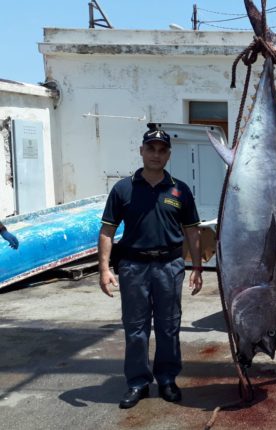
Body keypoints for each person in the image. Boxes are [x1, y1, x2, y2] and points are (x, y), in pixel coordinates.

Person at [98, 127, 203, 409]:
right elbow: (107, 230)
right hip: (133, 267)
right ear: (141, 151)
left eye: (162, 150)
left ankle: (167, 379)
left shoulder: (180, 189)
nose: (156, 154)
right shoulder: (123, 188)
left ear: (168, 155)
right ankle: (138, 383)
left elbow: (193, 231)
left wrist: (196, 267)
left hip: (170, 266)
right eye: (151, 149)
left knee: (169, 327)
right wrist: (104, 269)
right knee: (136, 328)